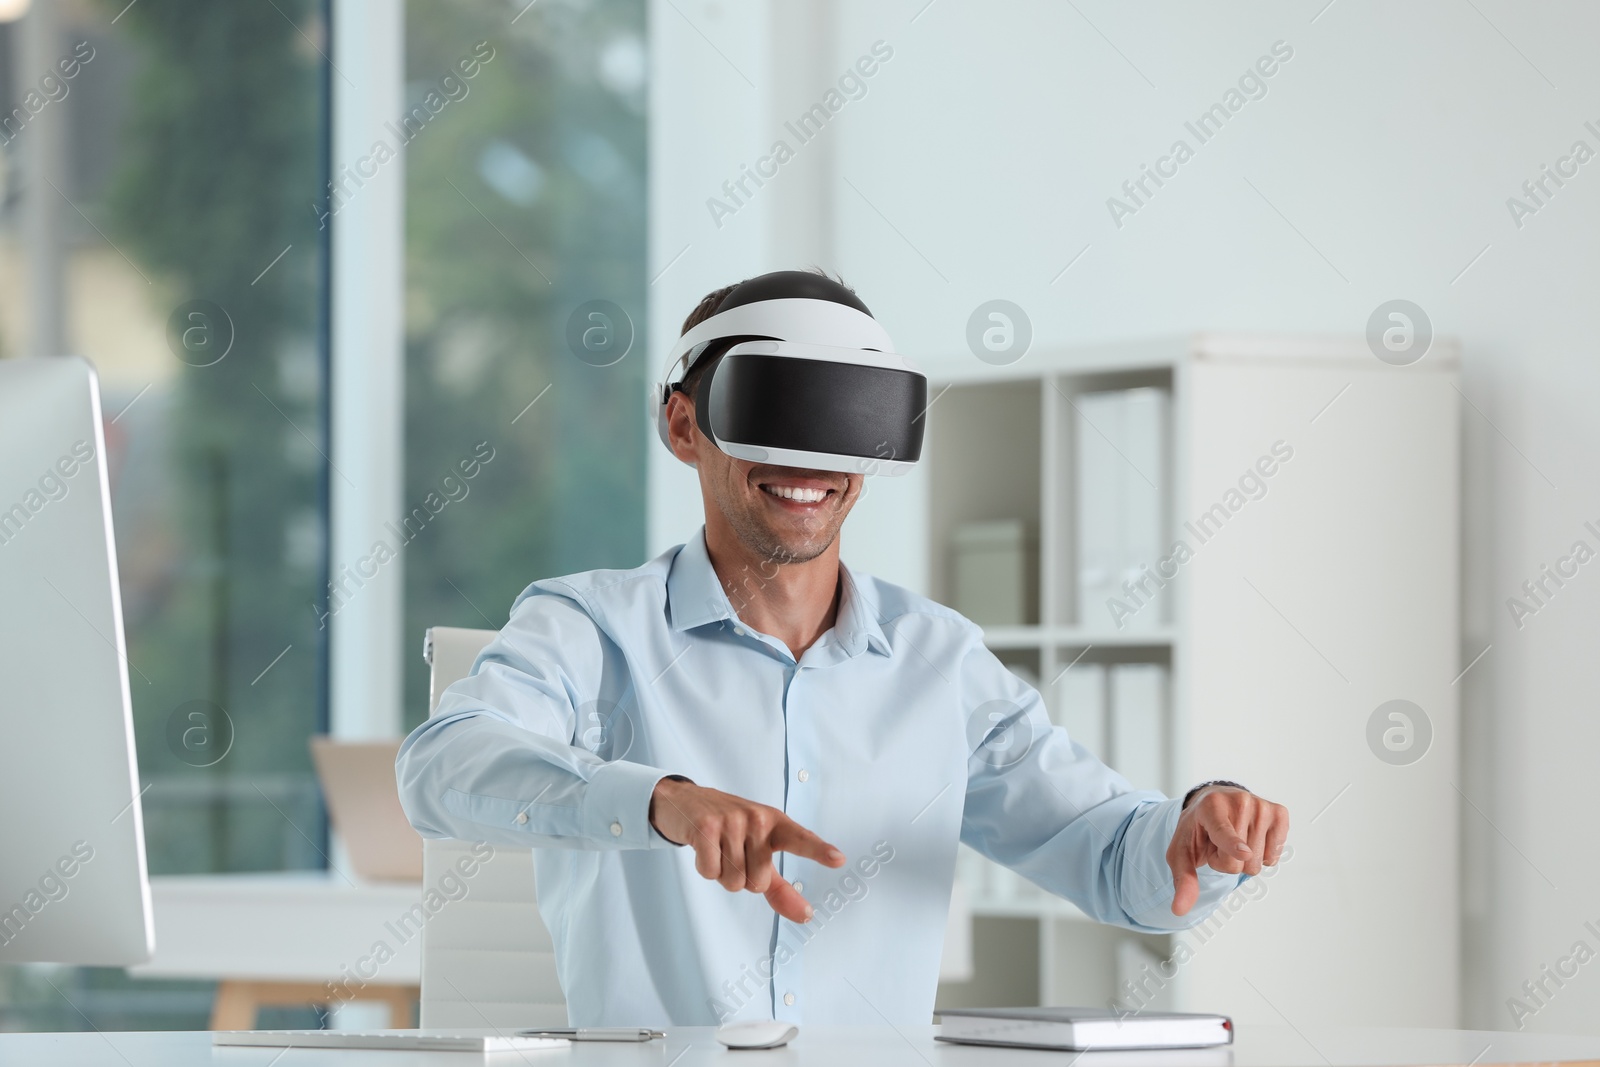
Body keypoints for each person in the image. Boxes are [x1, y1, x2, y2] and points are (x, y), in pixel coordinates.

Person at [396, 269, 1289, 1027]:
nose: (808, 459)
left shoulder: (941, 661)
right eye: (776, 407)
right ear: (682, 427)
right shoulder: (592, 629)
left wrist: (1193, 833)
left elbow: (1104, 854)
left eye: (844, 417)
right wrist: (661, 801)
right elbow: (441, 768)